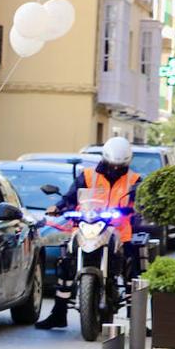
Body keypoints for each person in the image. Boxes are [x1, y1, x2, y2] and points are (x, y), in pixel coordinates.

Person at [36, 137, 140, 330]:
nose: (116, 169)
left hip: (118, 233)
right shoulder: (88, 175)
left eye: (120, 165)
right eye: (112, 164)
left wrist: (137, 209)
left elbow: (140, 202)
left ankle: (136, 320)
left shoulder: (134, 180)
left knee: (131, 272)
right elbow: (70, 197)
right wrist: (58, 207)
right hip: (86, 228)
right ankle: (59, 313)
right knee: (66, 264)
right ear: (105, 159)